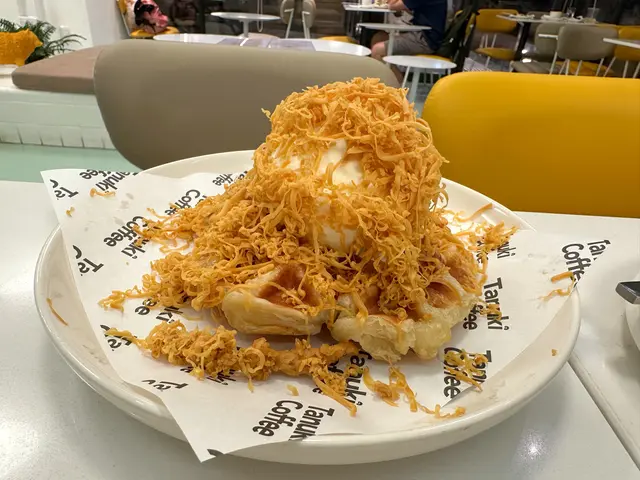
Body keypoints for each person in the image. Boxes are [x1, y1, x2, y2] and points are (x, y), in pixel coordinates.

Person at [371, 0, 448, 64]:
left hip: (426, 40)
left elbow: (392, 5)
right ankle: (388, 75)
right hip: (423, 34)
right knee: (378, 38)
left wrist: (397, 6)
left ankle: (395, 78)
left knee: (377, 50)